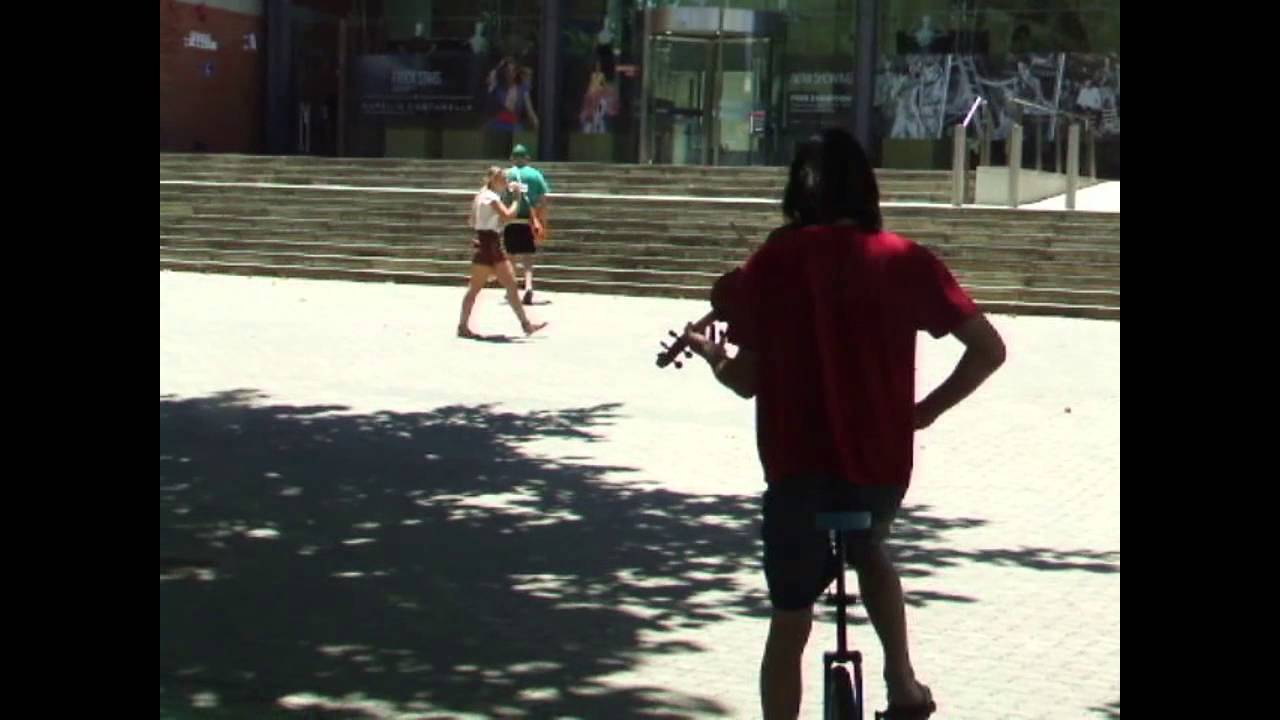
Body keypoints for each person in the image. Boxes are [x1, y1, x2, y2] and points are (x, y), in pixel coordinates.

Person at [682, 128, 1006, 720]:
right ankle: (902, 682)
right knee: (869, 544)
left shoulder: (773, 263)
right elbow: (989, 349)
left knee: (790, 617)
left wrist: (711, 354)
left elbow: (746, 380)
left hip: (795, 468)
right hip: (880, 465)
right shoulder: (904, 258)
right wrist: (923, 413)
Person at [458, 166, 547, 338]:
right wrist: (517, 199)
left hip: (485, 243)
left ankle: (463, 326)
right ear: (493, 179)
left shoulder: (481, 195)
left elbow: (471, 221)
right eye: (503, 179)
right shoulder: (490, 197)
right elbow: (508, 216)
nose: (506, 182)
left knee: (483, 288)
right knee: (505, 286)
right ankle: (526, 325)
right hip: (491, 244)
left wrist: (487, 224)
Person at [503, 144, 550, 305]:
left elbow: (499, 198)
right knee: (528, 258)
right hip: (528, 221)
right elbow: (543, 201)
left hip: (510, 220)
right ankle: (528, 286)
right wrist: (542, 221)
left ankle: (511, 289)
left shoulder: (506, 175)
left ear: (511, 158)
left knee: (510, 257)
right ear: (527, 158)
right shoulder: (536, 175)